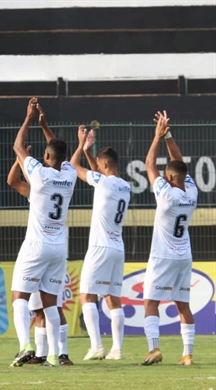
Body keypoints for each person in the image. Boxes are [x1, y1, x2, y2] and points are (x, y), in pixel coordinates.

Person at [10, 98, 77, 367]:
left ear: (46, 157)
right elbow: (56, 151)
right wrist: (45, 125)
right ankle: (51, 354)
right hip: (59, 247)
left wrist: (28, 119)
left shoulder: (39, 173)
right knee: (50, 304)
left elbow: (17, 147)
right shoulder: (70, 174)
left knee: (19, 297)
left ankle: (25, 345)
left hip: (36, 244)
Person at [141, 111, 198, 366]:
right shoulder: (192, 191)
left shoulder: (166, 195)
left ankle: (154, 349)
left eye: (167, 175)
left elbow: (150, 165)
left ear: (170, 178)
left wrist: (157, 137)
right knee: (183, 304)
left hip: (163, 255)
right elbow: (179, 162)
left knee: (150, 301)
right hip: (184, 256)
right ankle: (187, 354)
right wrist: (169, 135)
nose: (164, 176)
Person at [70, 125, 131, 361]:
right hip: (117, 247)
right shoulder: (125, 186)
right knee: (112, 298)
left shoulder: (103, 183)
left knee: (86, 296)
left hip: (100, 247)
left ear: (104, 165)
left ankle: (96, 346)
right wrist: (89, 151)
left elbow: (74, 168)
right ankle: (117, 349)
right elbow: (97, 171)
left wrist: (80, 145)